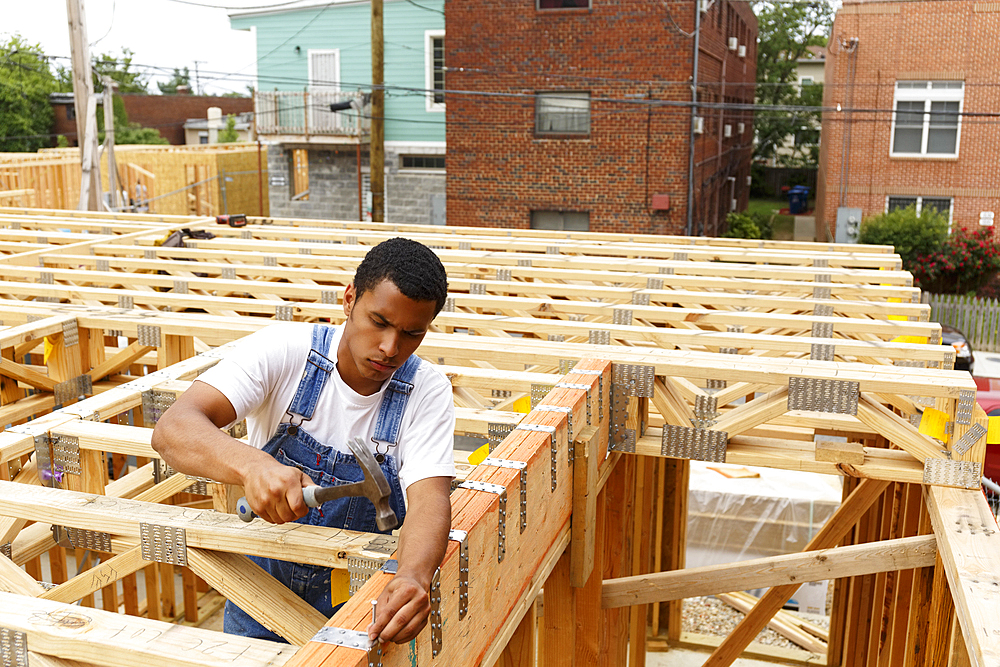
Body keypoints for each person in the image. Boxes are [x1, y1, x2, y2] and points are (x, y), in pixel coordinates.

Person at [151, 237, 454, 645]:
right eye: (379, 322)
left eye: (412, 333)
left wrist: (414, 576)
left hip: (366, 608)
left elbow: (429, 499)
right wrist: (253, 465)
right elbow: (173, 429)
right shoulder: (285, 351)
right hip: (259, 598)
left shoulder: (425, 390)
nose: (390, 348)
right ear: (349, 299)